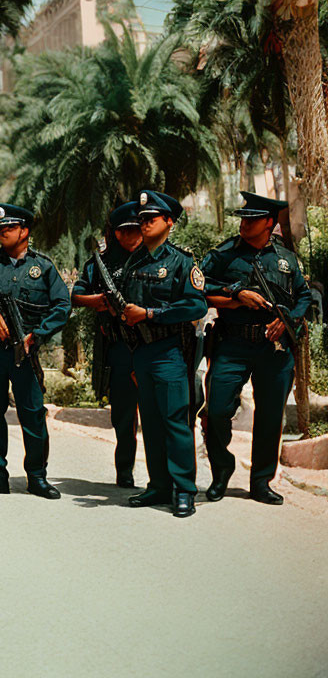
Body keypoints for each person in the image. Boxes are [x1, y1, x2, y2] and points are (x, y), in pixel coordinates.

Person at [200, 192, 312, 505]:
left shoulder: (286, 258)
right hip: (232, 343)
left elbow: (303, 295)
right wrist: (236, 293)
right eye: (243, 218)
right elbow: (199, 285)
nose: (244, 224)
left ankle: (261, 481)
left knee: (270, 416)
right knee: (218, 410)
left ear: (269, 223)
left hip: (274, 348)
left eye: (251, 220)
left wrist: (287, 317)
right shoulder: (223, 255)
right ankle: (222, 470)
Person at [0, 203, 71, 500]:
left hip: (26, 352)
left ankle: (37, 476)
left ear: (24, 231)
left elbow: (63, 304)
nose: (2, 232)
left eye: (9, 228)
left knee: (32, 414)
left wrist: (37, 334)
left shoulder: (44, 267)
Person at [120, 190, 207, 518]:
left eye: (150, 219)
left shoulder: (183, 261)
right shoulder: (135, 261)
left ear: (169, 222)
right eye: (140, 219)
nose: (143, 224)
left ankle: (184, 490)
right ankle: (158, 485)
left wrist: (151, 314)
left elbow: (196, 304)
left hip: (171, 350)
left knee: (175, 422)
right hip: (142, 351)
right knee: (151, 423)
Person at [71, 201, 143, 488]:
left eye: (136, 229)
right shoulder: (101, 263)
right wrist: (99, 303)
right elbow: (76, 295)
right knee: (124, 415)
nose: (132, 236)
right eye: (125, 231)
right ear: (115, 232)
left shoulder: (152, 257)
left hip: (151, 345)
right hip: (119, 347)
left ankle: (164, 478)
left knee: (157, 413)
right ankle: (124, 471)